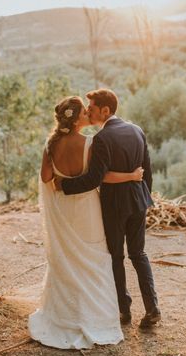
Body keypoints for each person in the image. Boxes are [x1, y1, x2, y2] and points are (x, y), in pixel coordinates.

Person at [28, 96, 143, 349]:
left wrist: (61, 178)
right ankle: (94, 315)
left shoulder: (50, 145)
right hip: (87, 208)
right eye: (84, 112)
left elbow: (46, 177)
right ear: (78, 118)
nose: (88, 115)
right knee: (94, 258)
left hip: (64, 209)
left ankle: (64, 317)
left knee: (67, 258)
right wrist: (132, 176)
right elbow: (101, 178)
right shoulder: (90, 143)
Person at [55, 89, 161, 329]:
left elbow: (94, 178)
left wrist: (65, 185)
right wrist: (145, 198)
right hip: (138, 202)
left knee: (116, 256)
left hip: (114, 206)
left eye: (92, 109)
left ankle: (124, 311)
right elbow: (148, 171)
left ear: (105, 110)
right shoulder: (137, 130)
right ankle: (152, 307)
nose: (89, 112)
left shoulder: (102, 138)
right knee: (139, 254)